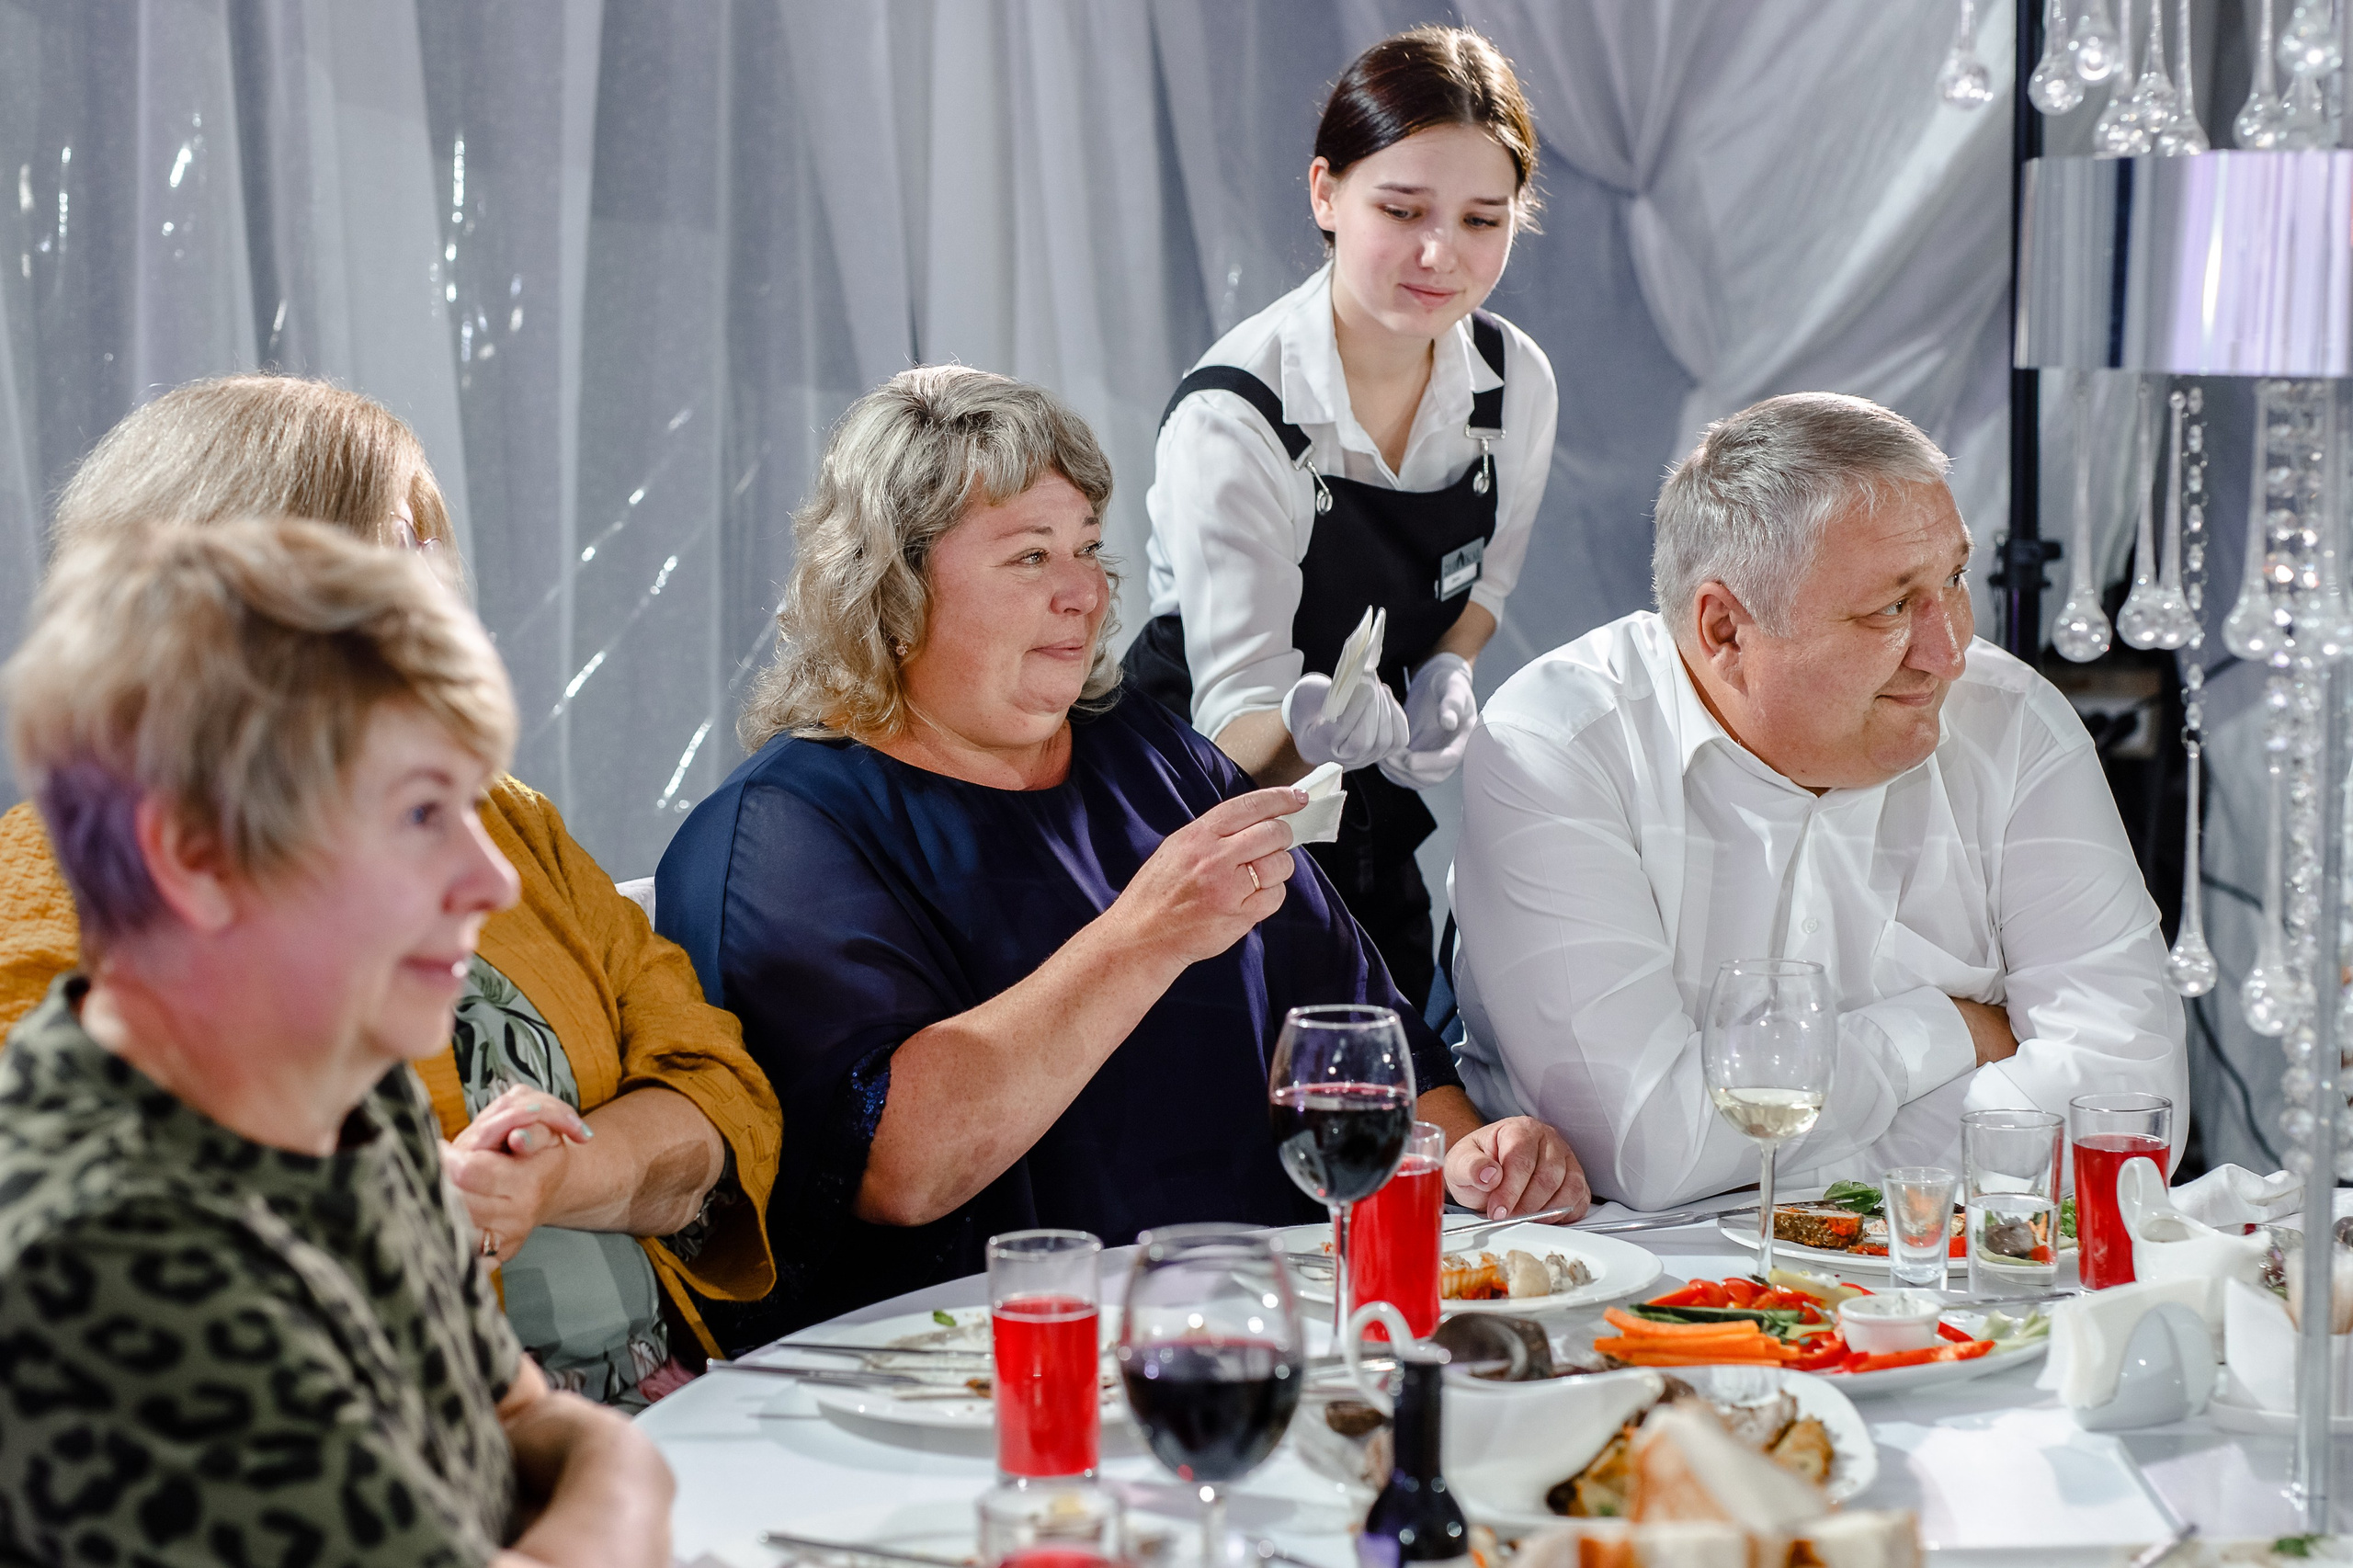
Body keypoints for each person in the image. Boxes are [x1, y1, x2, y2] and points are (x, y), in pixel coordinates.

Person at [656, 366, 1586, 1342]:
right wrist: (1146, 935)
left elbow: (1361, 1034)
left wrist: (1474, 1153)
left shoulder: (1149, 752)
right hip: (969, 1374)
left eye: (1089, 548)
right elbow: (898, 1167)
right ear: (893, 583)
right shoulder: (781, 835)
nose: (1085, 592)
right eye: (1028, 558)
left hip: (1258, 1332)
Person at [0, 375, 781, 1405]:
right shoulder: (63, 869)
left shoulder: (504, 817)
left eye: (432, 551)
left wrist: (556, 1179)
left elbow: (717, 1086)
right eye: (394, 553)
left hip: (665, 1406)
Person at [0, 517, 672, 1566]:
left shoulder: (351, 1091)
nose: (492, 881)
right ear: (195, 857)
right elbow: (548, 1442)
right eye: (417, 813)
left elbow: (513, 1411)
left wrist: (585, 1469)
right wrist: (630, 1471)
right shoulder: (115, 1251)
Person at [1449, 392, 2190, 1213]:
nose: (1947, 653)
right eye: (1893, 606)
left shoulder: (2014, 723)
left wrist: (1773, 1169)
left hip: (1954, 1282)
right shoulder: (1559, 743)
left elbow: (2128, 1119)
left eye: (1953, 579)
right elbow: (1645, 1149)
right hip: (1627, 1291)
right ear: (1726, 630)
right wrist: (1945, 1030)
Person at [1126, 26, 1559, 1009]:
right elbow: (1231, 728)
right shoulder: (1236, 416)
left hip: (1355, 799)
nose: (1440, 252)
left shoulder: (1513, 386)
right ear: (1325, 192)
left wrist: (1450, 666)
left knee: (1391, 1072)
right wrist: (1305, 723)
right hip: (1194, 805)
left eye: (1483, 219)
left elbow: (1481, 581)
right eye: (1400, 209)